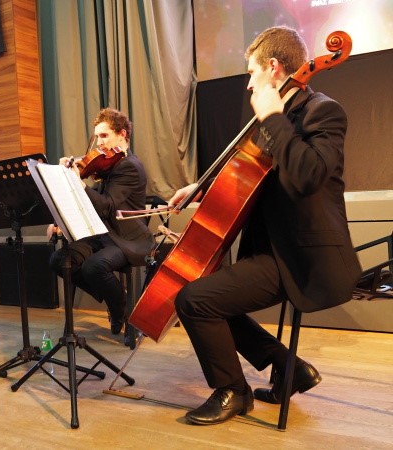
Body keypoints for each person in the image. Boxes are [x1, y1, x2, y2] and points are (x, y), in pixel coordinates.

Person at [170, 26, 362, 425]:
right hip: (270, 251)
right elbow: (248, 175)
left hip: (302, 258)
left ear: (273, 67)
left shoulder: (322, 111)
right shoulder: (275, 120)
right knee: (208, 298)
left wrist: (273, 116)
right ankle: (289, 368)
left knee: (194, 300)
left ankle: (234, 392)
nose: (248, 85)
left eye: (252, 73)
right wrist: (201, 187)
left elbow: (309, 174)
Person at [48, 108, 154, 341]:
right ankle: (114, 297)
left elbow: (106, 206)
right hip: (102, 234)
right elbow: (89, 204)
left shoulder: (129, 166)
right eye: (97, 136)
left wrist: (80, 183)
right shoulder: (109, 165)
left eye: (104, 136)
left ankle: (120, 309)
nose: (99, 143)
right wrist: (59, 221)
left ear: (122, 134)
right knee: (59, 260)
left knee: (94, 267)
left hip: (126, 238)